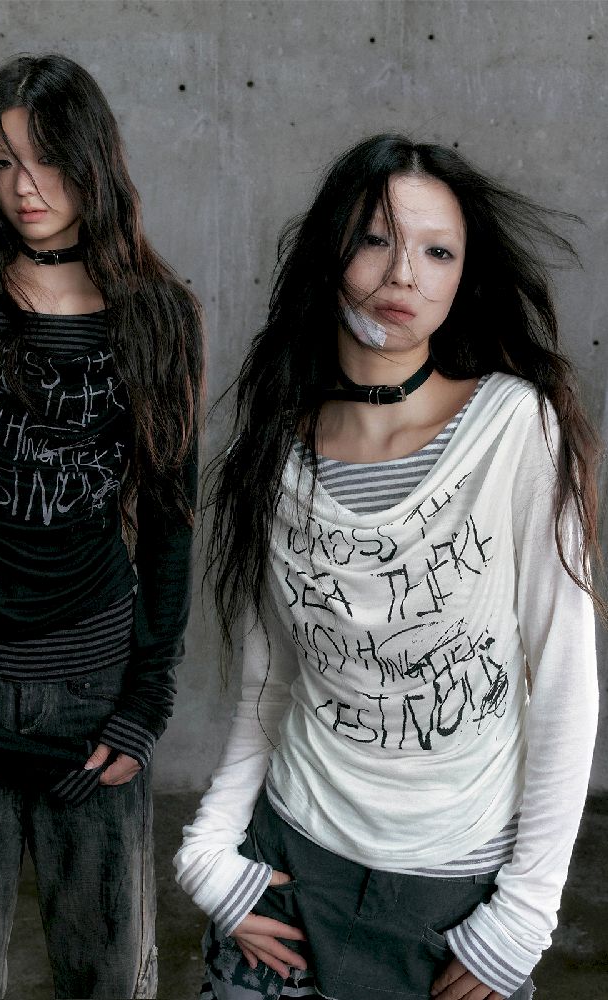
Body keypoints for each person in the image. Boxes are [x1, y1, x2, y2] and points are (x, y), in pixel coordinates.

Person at [174, 134, 602, 1000]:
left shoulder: (513, 427)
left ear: (463, 278)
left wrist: (525, 914)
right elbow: (272, 680)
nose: (405, 273)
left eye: (438, 252)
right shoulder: (280, 452)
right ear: (331, 253)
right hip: (289, 870)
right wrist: (208, 855)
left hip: (454, 897)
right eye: (376, 240)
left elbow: (564, 680)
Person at [0, 53, 203, 999]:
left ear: (94, 161)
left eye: (49, 158)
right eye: (3, 161)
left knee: (108, 973)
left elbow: (170, 525)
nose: (26, 186)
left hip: (92, 692)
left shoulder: (159, 315)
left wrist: (145, 703)